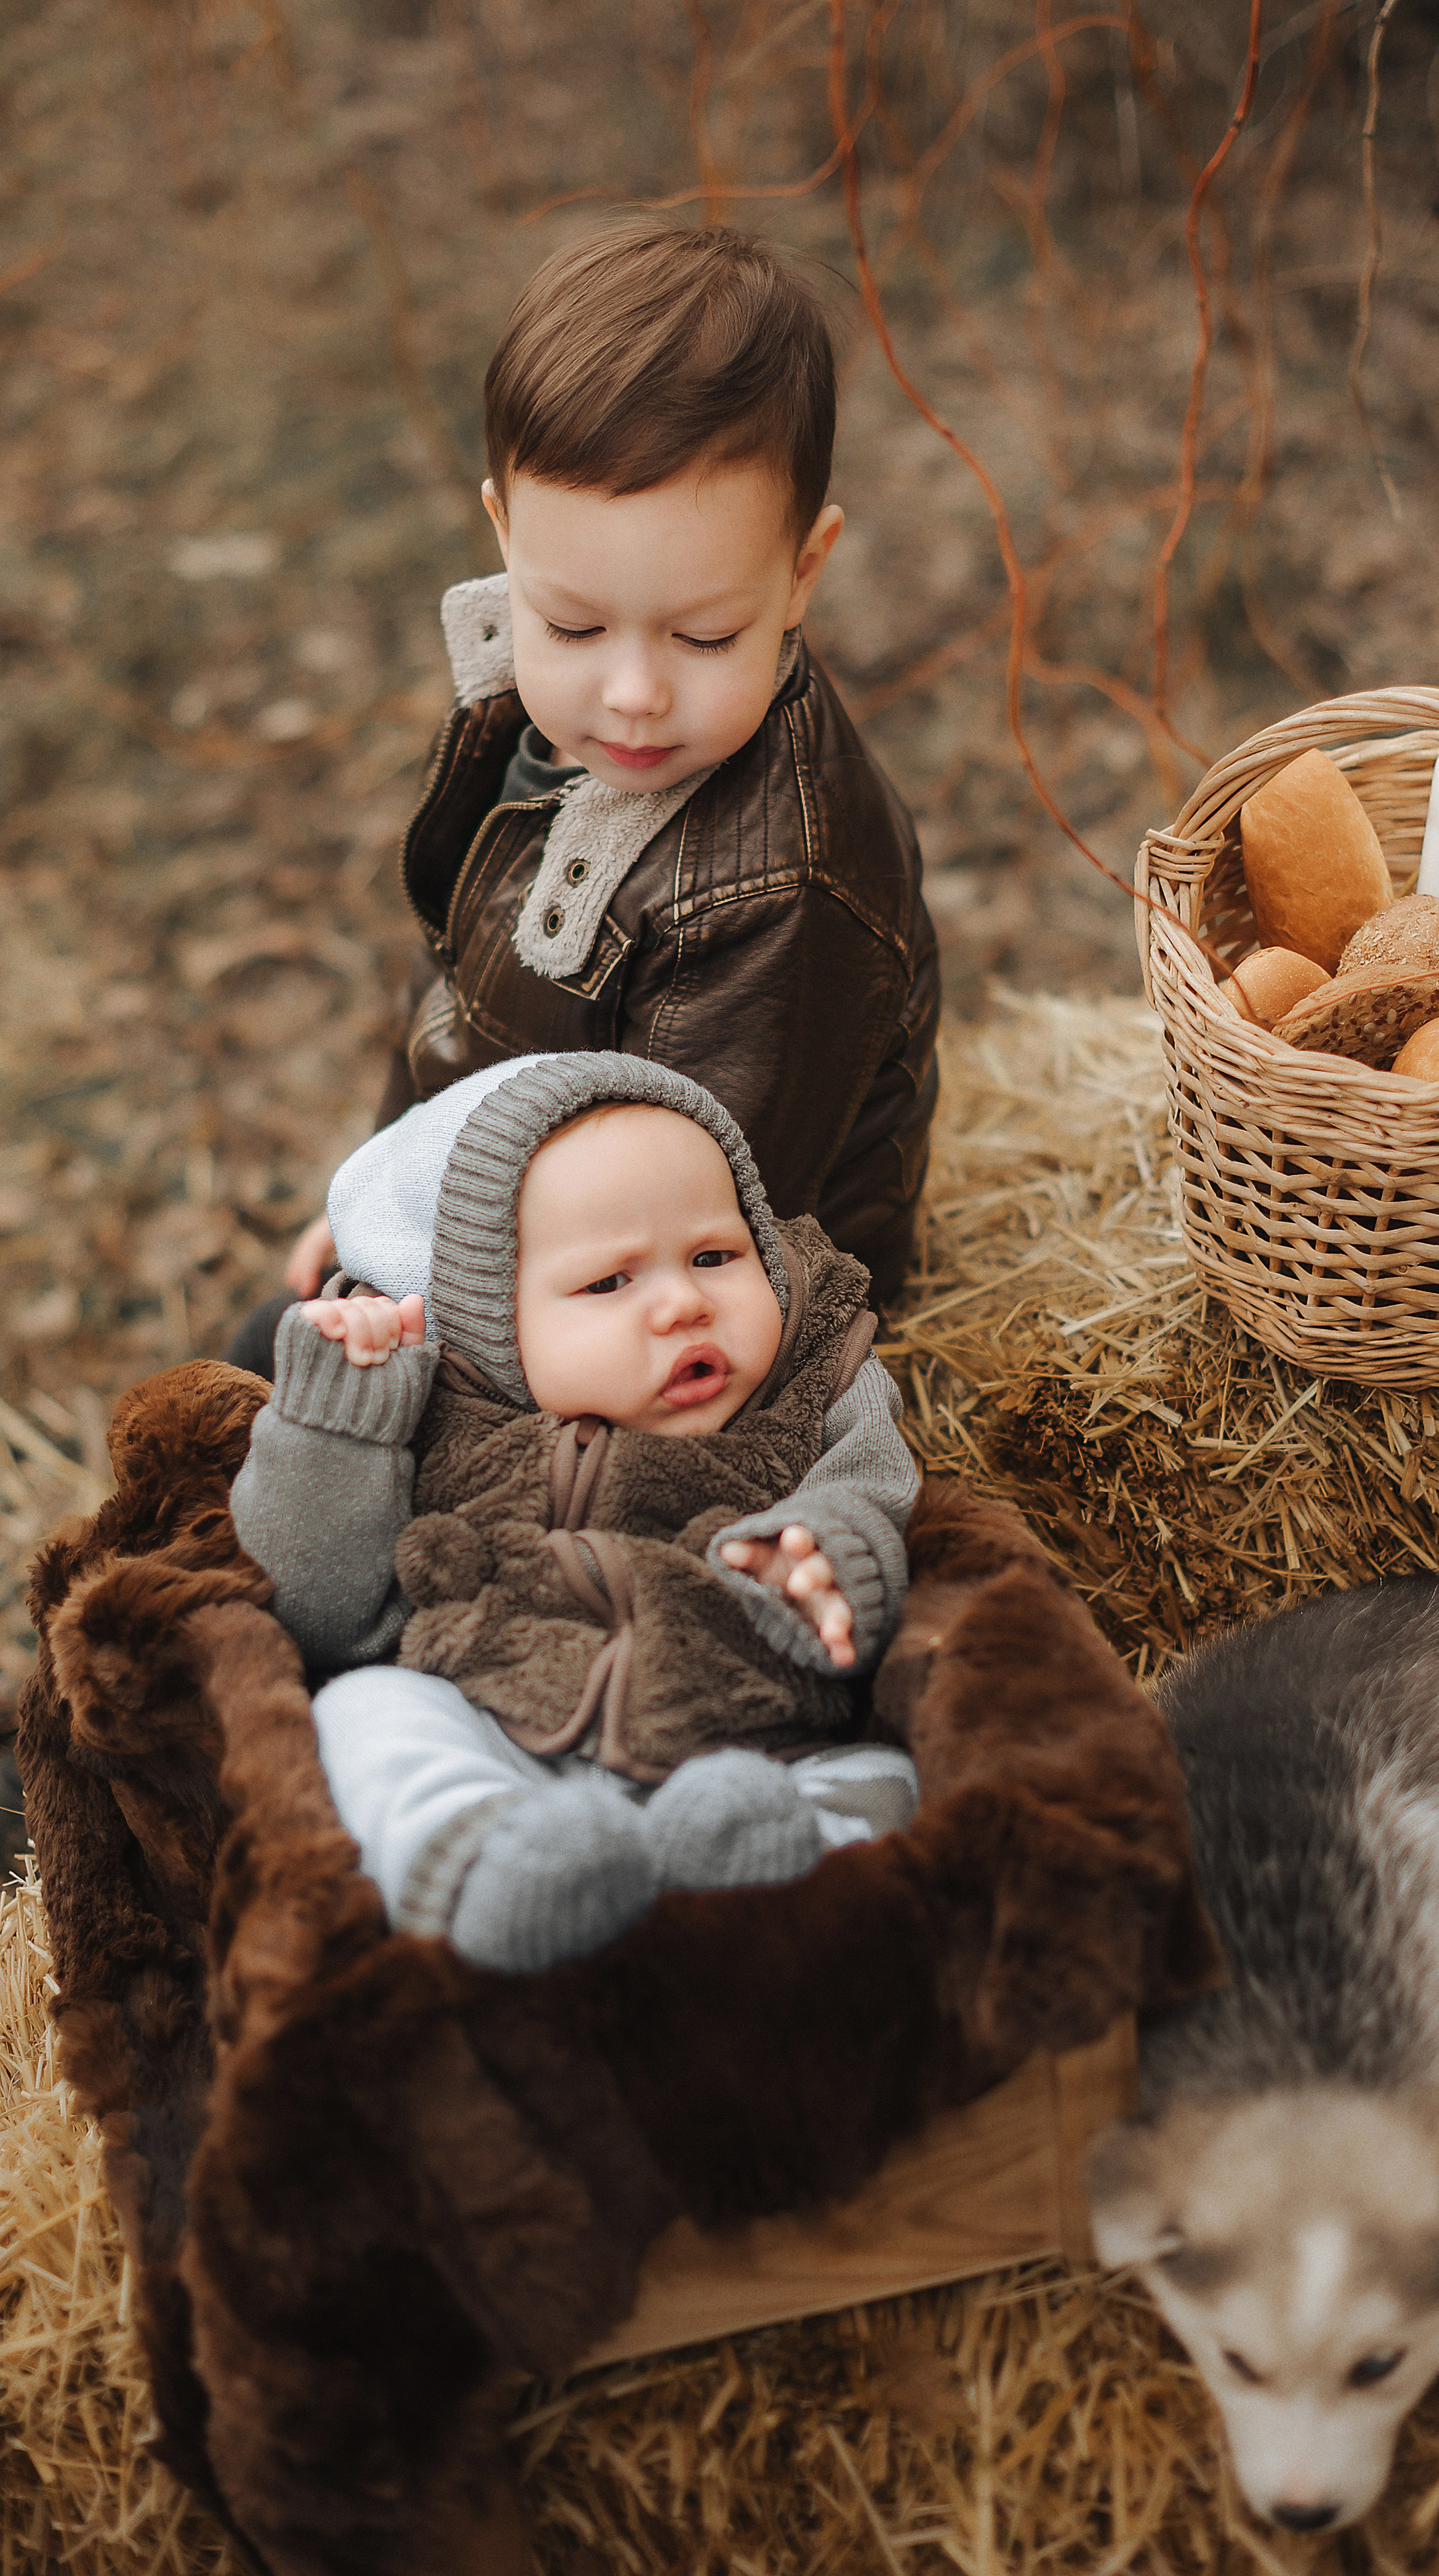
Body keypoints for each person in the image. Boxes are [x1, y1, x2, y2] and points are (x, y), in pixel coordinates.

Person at [227, 221, 938, 1376]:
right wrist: (381, 1198)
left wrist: (432, 1300)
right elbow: (456, 983)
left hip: (694, 1310)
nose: (633, 696)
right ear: (506, 532)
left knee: (352, 1441)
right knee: (269, 1353)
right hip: (541, 1217)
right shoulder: (532, 720)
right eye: (572, 624)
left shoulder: (785, 887)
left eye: (707, 635)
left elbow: (703, 1231)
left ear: (804, 570)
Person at [228, 1052, 922, 1974]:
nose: (683, 1303)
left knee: (893, 1779)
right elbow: (324, 1617)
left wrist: (830, 1559)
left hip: (758, 1744)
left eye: (716, 1256)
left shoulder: (809, 1382)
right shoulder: (443, 1418)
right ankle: (485, 1869)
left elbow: (875, 1485)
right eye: (609, 1284)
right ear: (491, 1319)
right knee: (365, 1709)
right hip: (508, 1748)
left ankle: (770, 1869)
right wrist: (336, 1427)